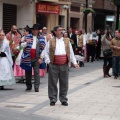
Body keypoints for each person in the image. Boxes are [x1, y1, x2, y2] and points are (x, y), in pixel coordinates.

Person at [45, 25, 79, 106]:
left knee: (64, 83)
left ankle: (63, 99)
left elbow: (70, 52)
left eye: (62, 30)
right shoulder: (50, 41)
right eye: (59, 30)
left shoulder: (67, 41)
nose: (61, 31)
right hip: (54, 65)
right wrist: (48, 62)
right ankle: (53, 99)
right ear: (55, 32)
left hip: (64, 65)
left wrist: (74, 62)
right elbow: (46, 52)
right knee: (52, 83)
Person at [20, 24, 45, 92]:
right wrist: (26, 43)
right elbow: (21, 46)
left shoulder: (41, 38)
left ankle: (36, 87)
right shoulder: (27, 36)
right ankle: (28, 86)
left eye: (36, 30)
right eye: (33, 30)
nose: (34, 31)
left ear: (38, 31)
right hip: (28, 58)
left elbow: (43, 49)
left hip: (37, 58)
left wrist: (41, 58)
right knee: (28, 73)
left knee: (37, 73)